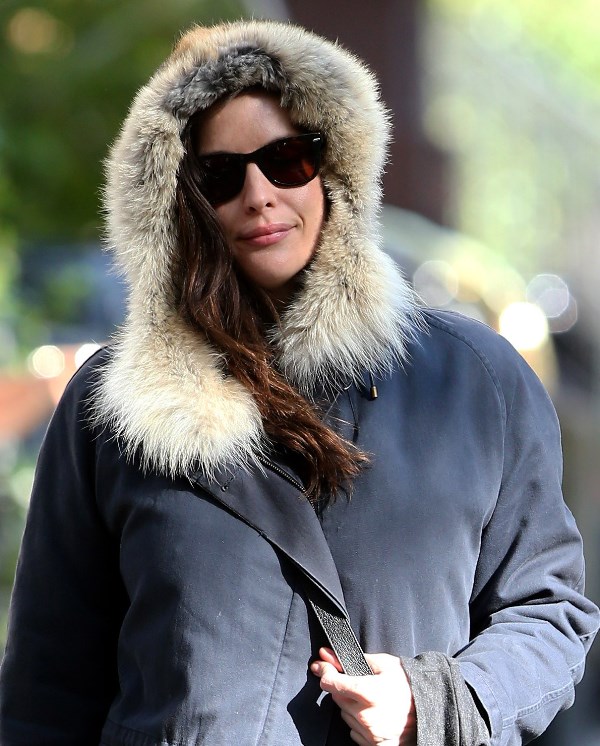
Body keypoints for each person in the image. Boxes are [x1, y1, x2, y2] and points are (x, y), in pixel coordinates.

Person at [0, 19, 597, 746]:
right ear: (182, 203)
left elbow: (549, 613)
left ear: (335, 168)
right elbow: (47, 688)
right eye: (221, 175)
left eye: (287, 160)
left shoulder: (475, 379)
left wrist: (433, 704)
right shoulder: (114, 406)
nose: (258, 194)